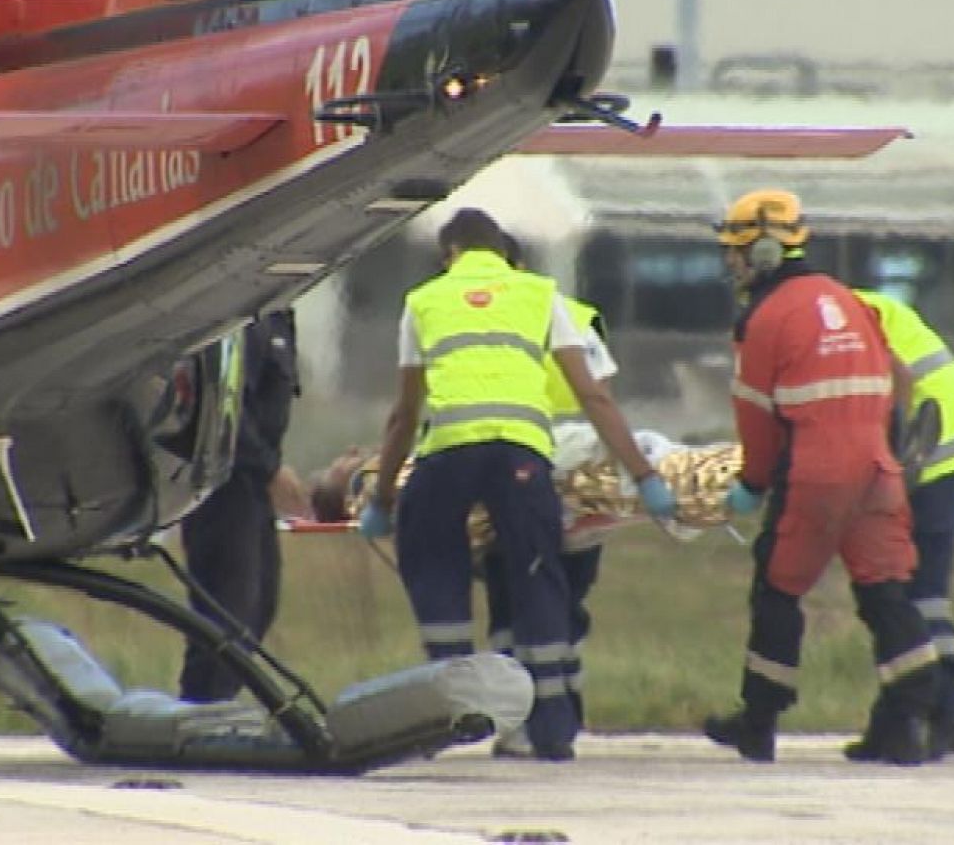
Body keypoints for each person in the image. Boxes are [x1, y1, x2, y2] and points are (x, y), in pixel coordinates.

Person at [357, 207, 677, 761]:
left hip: (450, 450)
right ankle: (550, 730)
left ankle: (451, 708)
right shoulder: (539, 294)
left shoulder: (424, 300)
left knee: (430, 554)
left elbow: (404, 415)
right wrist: (644, 475)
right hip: (522, 453)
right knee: (538, 570)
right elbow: (594, 395)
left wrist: (383, 498)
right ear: (505, 252)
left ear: (447, 254)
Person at [703, 188, 939, 765]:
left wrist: (753, 484)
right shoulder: (850, 300)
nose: (730, 263)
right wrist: (889, 447)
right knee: (885, 593)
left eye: (735, 251)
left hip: (816, 472)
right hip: (877, 468)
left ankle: (758, 722)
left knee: (778, 589)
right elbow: (897, 379)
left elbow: (755, 419)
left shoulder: (763, 319)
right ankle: (905, 724)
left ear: (759, 253)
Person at [855, 289, 954, 758]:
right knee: (920, 593)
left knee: (908, 591)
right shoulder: (857, 303)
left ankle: (953, 714)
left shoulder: (836, 316)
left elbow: (894, 378)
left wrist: (887, 455)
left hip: (938, 451)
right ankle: (939, 715)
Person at [482, 232, 617, 756]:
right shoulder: (576, 314)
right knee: (567, 597)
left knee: (510, 599)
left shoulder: (473, 314)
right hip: (581, 473)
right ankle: (565, 709)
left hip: (514, 464)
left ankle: (519, 723)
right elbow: (602, 395)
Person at [177, 308, 300, 702]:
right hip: (224, 489)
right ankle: (201, 708)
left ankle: (212, 705)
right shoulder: (243, 318)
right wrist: (271, 470)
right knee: (229, 612)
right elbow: (225, 411)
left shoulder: (279, 317)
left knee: (260, 603)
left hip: (252, 487)